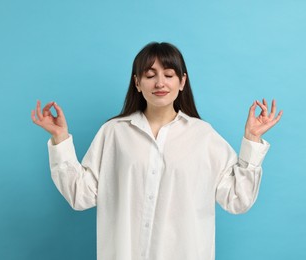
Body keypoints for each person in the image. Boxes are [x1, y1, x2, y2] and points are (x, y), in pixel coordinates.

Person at [31, 42, 282, 260]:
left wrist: (252, 139)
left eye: (169, 74)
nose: (160, 82)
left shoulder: (203, 136)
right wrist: (60, 138)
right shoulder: (114, 133)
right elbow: (81, 195)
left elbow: (238, 199)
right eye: (150, 75)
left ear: (182, 81)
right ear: (137, 83)